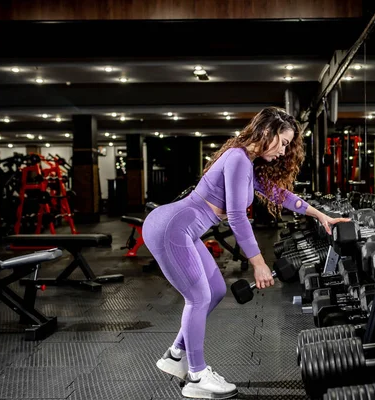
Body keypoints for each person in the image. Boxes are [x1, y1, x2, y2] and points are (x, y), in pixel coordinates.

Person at [142, 107, 349, 399]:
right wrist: (259, 263)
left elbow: (281, 196)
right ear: (268, 132)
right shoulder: (238, 158)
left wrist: (320, 215)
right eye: (285, 142)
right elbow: (238, 216)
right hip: (172, 228)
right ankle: (197, 377)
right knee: (198, 297)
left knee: (213, 290)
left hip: (181, 228)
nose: (284, 150)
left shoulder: (245, 161)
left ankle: (176, 356)